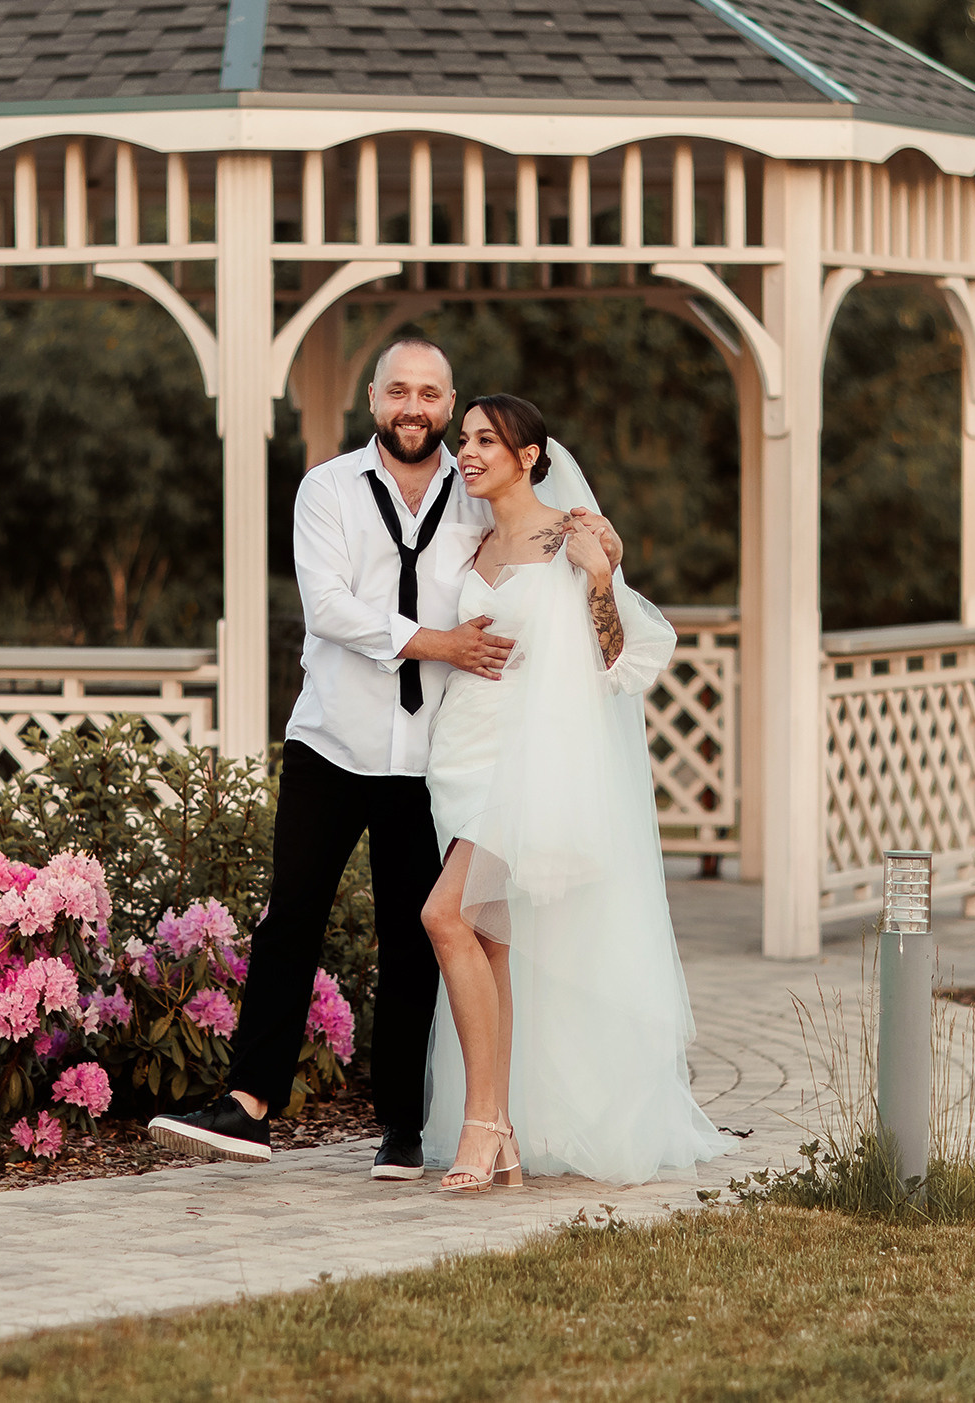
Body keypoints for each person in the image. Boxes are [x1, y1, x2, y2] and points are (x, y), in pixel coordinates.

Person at [147, 340, 621, 1177]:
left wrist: (593, 546)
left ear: (448, 404)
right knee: (290, 916)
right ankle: (249, 1105)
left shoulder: (477, 497)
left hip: (432, 755)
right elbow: (327, 607)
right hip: (332, 739)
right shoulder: (326, 489)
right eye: (399, 390)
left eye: (431, 394)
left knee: (419, 937)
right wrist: (435, 641)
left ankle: (403, 1129)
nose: (415, 406)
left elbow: (536, 534)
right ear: (373, 398)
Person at [419, 394, 735, 1192]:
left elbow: (622, 660)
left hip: (530, 761)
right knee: (487, 937)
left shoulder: (574, 531)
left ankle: (482, 1124)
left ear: (531, 455)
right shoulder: (474, 543)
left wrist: (601, 578)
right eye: (466, 440)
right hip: (463, 753)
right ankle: (506, 1134)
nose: (470, 452)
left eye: (487, 440)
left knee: (444, 915)